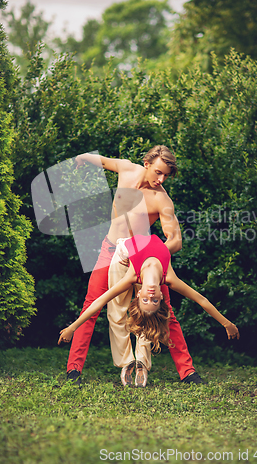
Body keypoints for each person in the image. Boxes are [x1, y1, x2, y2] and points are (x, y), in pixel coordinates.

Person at [65, 145, 202, 387]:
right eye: (158, 172)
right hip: (110, 250)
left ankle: (187, 372)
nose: (161, 180)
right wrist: (83, 157)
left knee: (165, 310)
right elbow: (104, 161)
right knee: (92, 306)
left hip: (141, 257)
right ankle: (73, 370)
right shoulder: (126, 169)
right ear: (147, 163)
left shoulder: (161, 199)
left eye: (166, 176)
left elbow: (176, 240)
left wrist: (151, 253)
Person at [59, 234, 240, 386]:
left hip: (122, 260)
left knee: (117, 308)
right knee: (118, 311)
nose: (151, 294)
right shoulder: (169, 278)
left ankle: (140, 362)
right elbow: (201, 299)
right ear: (162, 296)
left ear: (138, 295)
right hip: (123, 257)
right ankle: (128, 361)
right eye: (153, 300)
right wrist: (227, 323)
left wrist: (71, 327)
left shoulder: (132, 277)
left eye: (146, 299)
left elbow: (100, 301)